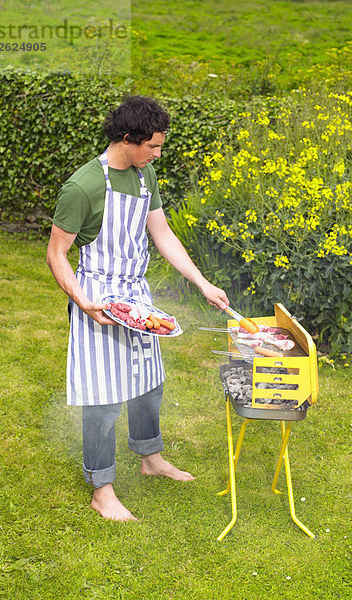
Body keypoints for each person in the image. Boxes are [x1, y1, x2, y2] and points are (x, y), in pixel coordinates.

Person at [46, 95, 229, 522]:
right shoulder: (83, 186)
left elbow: (162, 234)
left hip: (137, 294)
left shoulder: (145, 178)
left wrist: (202, 282)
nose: (158, 154)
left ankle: (150, 457)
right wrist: (83, 302)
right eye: (153, 146)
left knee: (149, 384)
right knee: (102, 395)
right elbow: (57, 254)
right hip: (97, 295)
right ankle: (102, 488)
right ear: (128, 139)